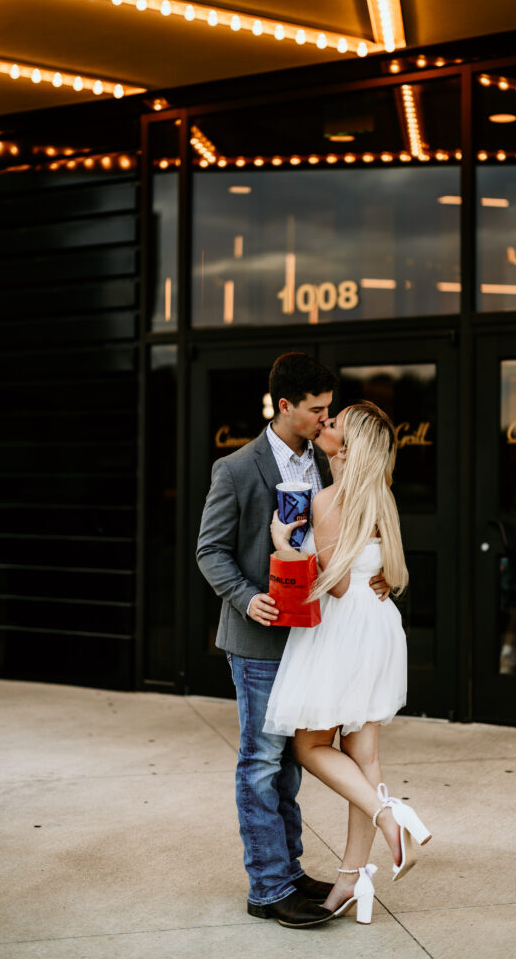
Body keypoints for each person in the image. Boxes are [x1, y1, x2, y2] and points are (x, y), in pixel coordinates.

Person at [195, 353, 389, 929]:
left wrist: (372, 571)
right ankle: (268, 888)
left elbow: (355, 529)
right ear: (285, 407)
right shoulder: (234, 470)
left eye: (329, 411)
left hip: (316, 641)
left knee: (289, 770)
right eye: (317, 411)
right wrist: (244, 594)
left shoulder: (332, 463)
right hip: (258, 640)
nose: (326, 420)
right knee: (260, 763)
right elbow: (210, 551)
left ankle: (289, 871)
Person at [265, 402, 431, 925]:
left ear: (349, 444)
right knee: (364, 759)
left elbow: (334, 583)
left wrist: (285, 544)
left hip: (343, 629)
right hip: (378, 623)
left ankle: (389, 815)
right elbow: (387, 572)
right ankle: (350, 881)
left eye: (335, 424)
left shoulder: (330, 499)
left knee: (310, 745)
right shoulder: (381, 496)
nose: (326, 425)